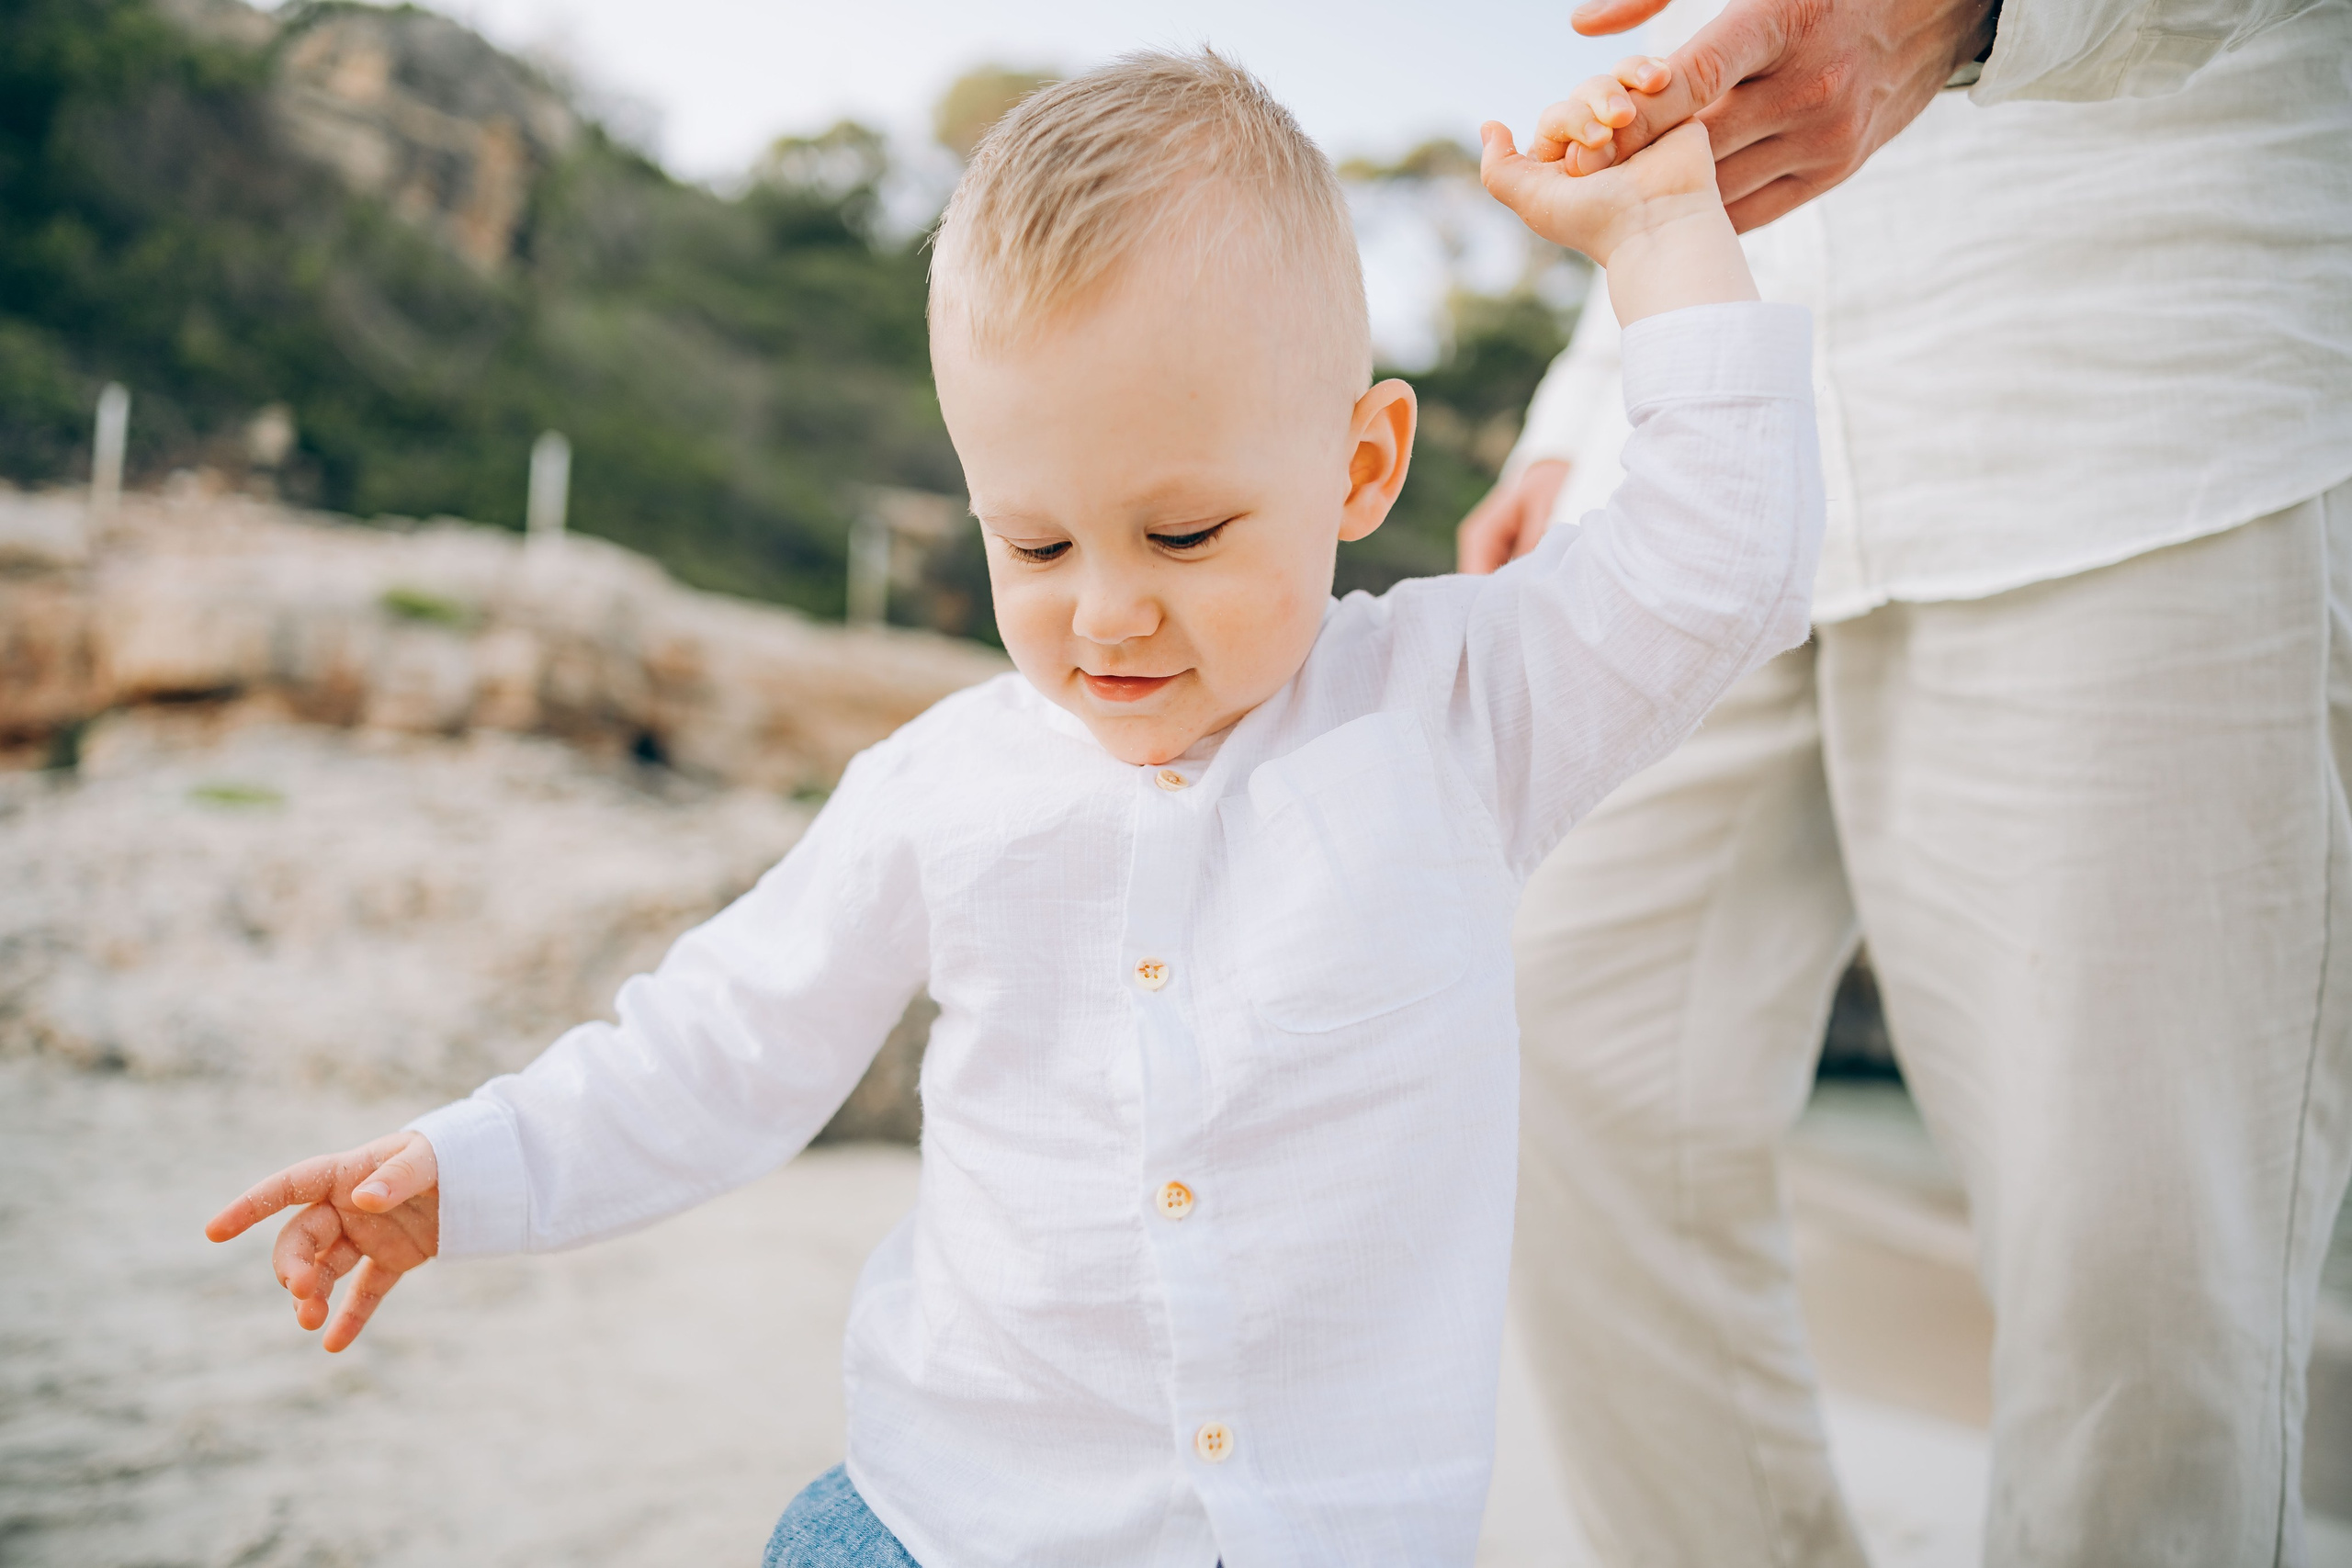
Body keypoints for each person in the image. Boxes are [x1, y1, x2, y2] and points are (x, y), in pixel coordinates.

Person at [204, 50, 1822, 1568]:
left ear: (1363, 466)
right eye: (1034, 548)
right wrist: (464, 1171)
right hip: (933, 1525)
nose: (1105, 615)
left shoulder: (1461, 717)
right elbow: (716, 1047)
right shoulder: (940, 789)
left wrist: (1671, 232)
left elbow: (1717, 564)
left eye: (1183, 535)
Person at [1463, 0, 2352, 1562]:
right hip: (1710, 459)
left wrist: (1959, 13)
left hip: (2139, 402)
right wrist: (1579, 406)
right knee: (1536, 1037)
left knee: (2133, 1288)